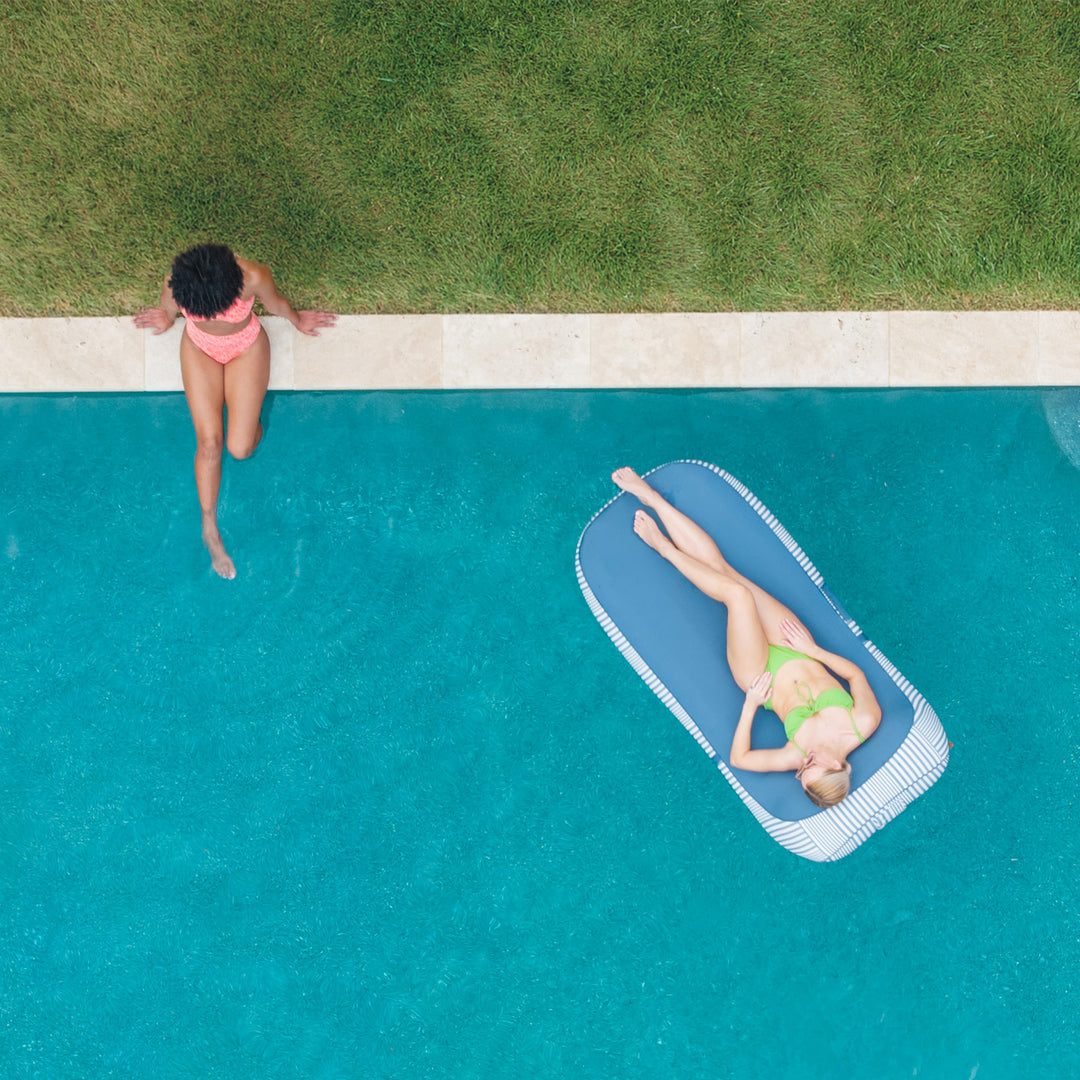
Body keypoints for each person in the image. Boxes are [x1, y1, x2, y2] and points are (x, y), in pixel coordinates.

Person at [612, 467, 881, 807]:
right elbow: (856, 676)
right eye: (812, 765)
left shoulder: (794, 756)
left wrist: (751, 704)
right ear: (837, 766)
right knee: (727, 572)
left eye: (801, 772)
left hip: (758, 672)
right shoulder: (864, 723)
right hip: (798, 648)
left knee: (737, 596)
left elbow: (739, 758)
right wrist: (813, 650)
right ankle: (652, 498)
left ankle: (663, 547)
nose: (804, 764)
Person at [135, 244, 336, 579]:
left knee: (240, 449)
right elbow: (168, 306)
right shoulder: (178, 280)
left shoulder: (252, 276)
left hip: (245, 347)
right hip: (199, 348)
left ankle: (247, 410)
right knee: (210, 444)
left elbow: (276, 304)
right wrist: (167, 316)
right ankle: (209, 527)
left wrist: (297, 319)